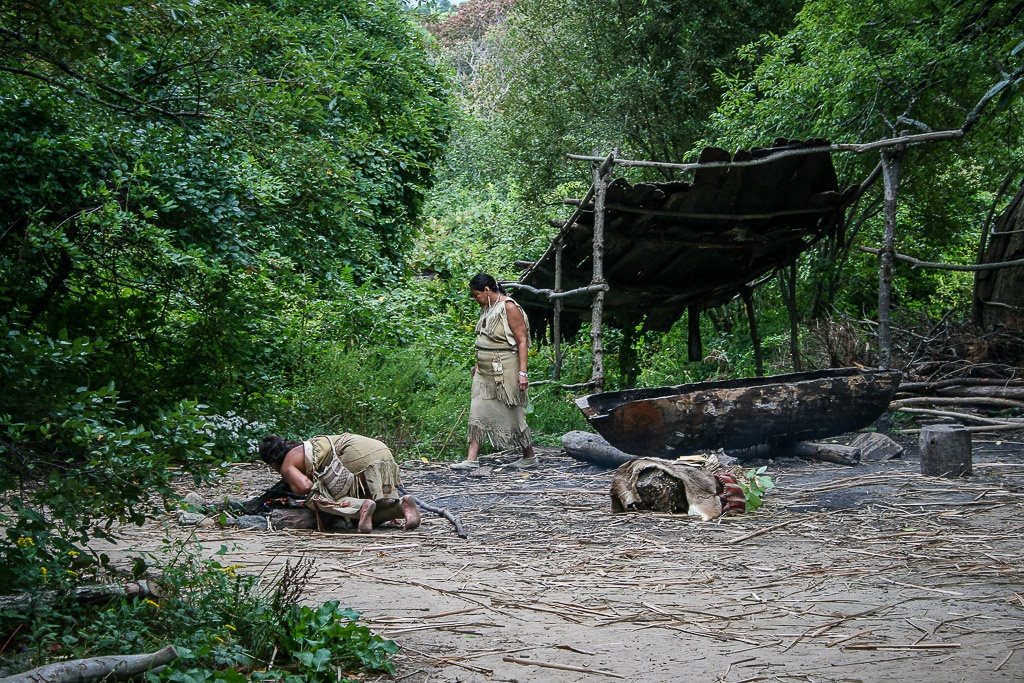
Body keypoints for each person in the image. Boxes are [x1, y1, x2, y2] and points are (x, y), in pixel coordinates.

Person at [451, 273, 538, 470]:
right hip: (484, 370)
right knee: (478, 409)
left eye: (476, 295)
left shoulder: (508, 306)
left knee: (514, 411)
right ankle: (471, 459)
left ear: (487, 290)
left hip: (506, 367)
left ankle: (529, 456)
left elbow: (522, 340)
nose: (474, 299)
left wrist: (522, 372)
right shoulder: (487, 308)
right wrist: (478, 363)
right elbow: (486, 338)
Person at [258, 433, 420, 534]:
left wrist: (293, 484)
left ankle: (360, 506)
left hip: (355, 455)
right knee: (375, 502)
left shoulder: (287, 465)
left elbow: (305, 487)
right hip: (382, 455)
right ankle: (401, 506)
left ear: (272, 463)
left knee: (317, 497)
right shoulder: (305, 447)